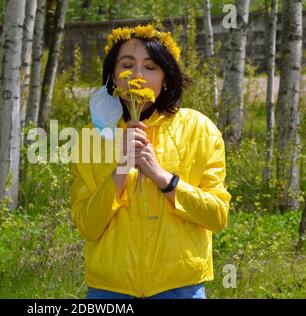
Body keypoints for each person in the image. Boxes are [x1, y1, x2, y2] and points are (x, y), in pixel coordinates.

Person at [70, 24, 232, 299]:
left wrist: (163, 178)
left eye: (150, 67)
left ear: (166, 78)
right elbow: (87, 225)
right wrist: (121, 170)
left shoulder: (198, 129)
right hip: (110, 290)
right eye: (127, 65)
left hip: (180, 287)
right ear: (112, 76)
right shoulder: (90, 138)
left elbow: (216, 216)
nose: (137, 76)